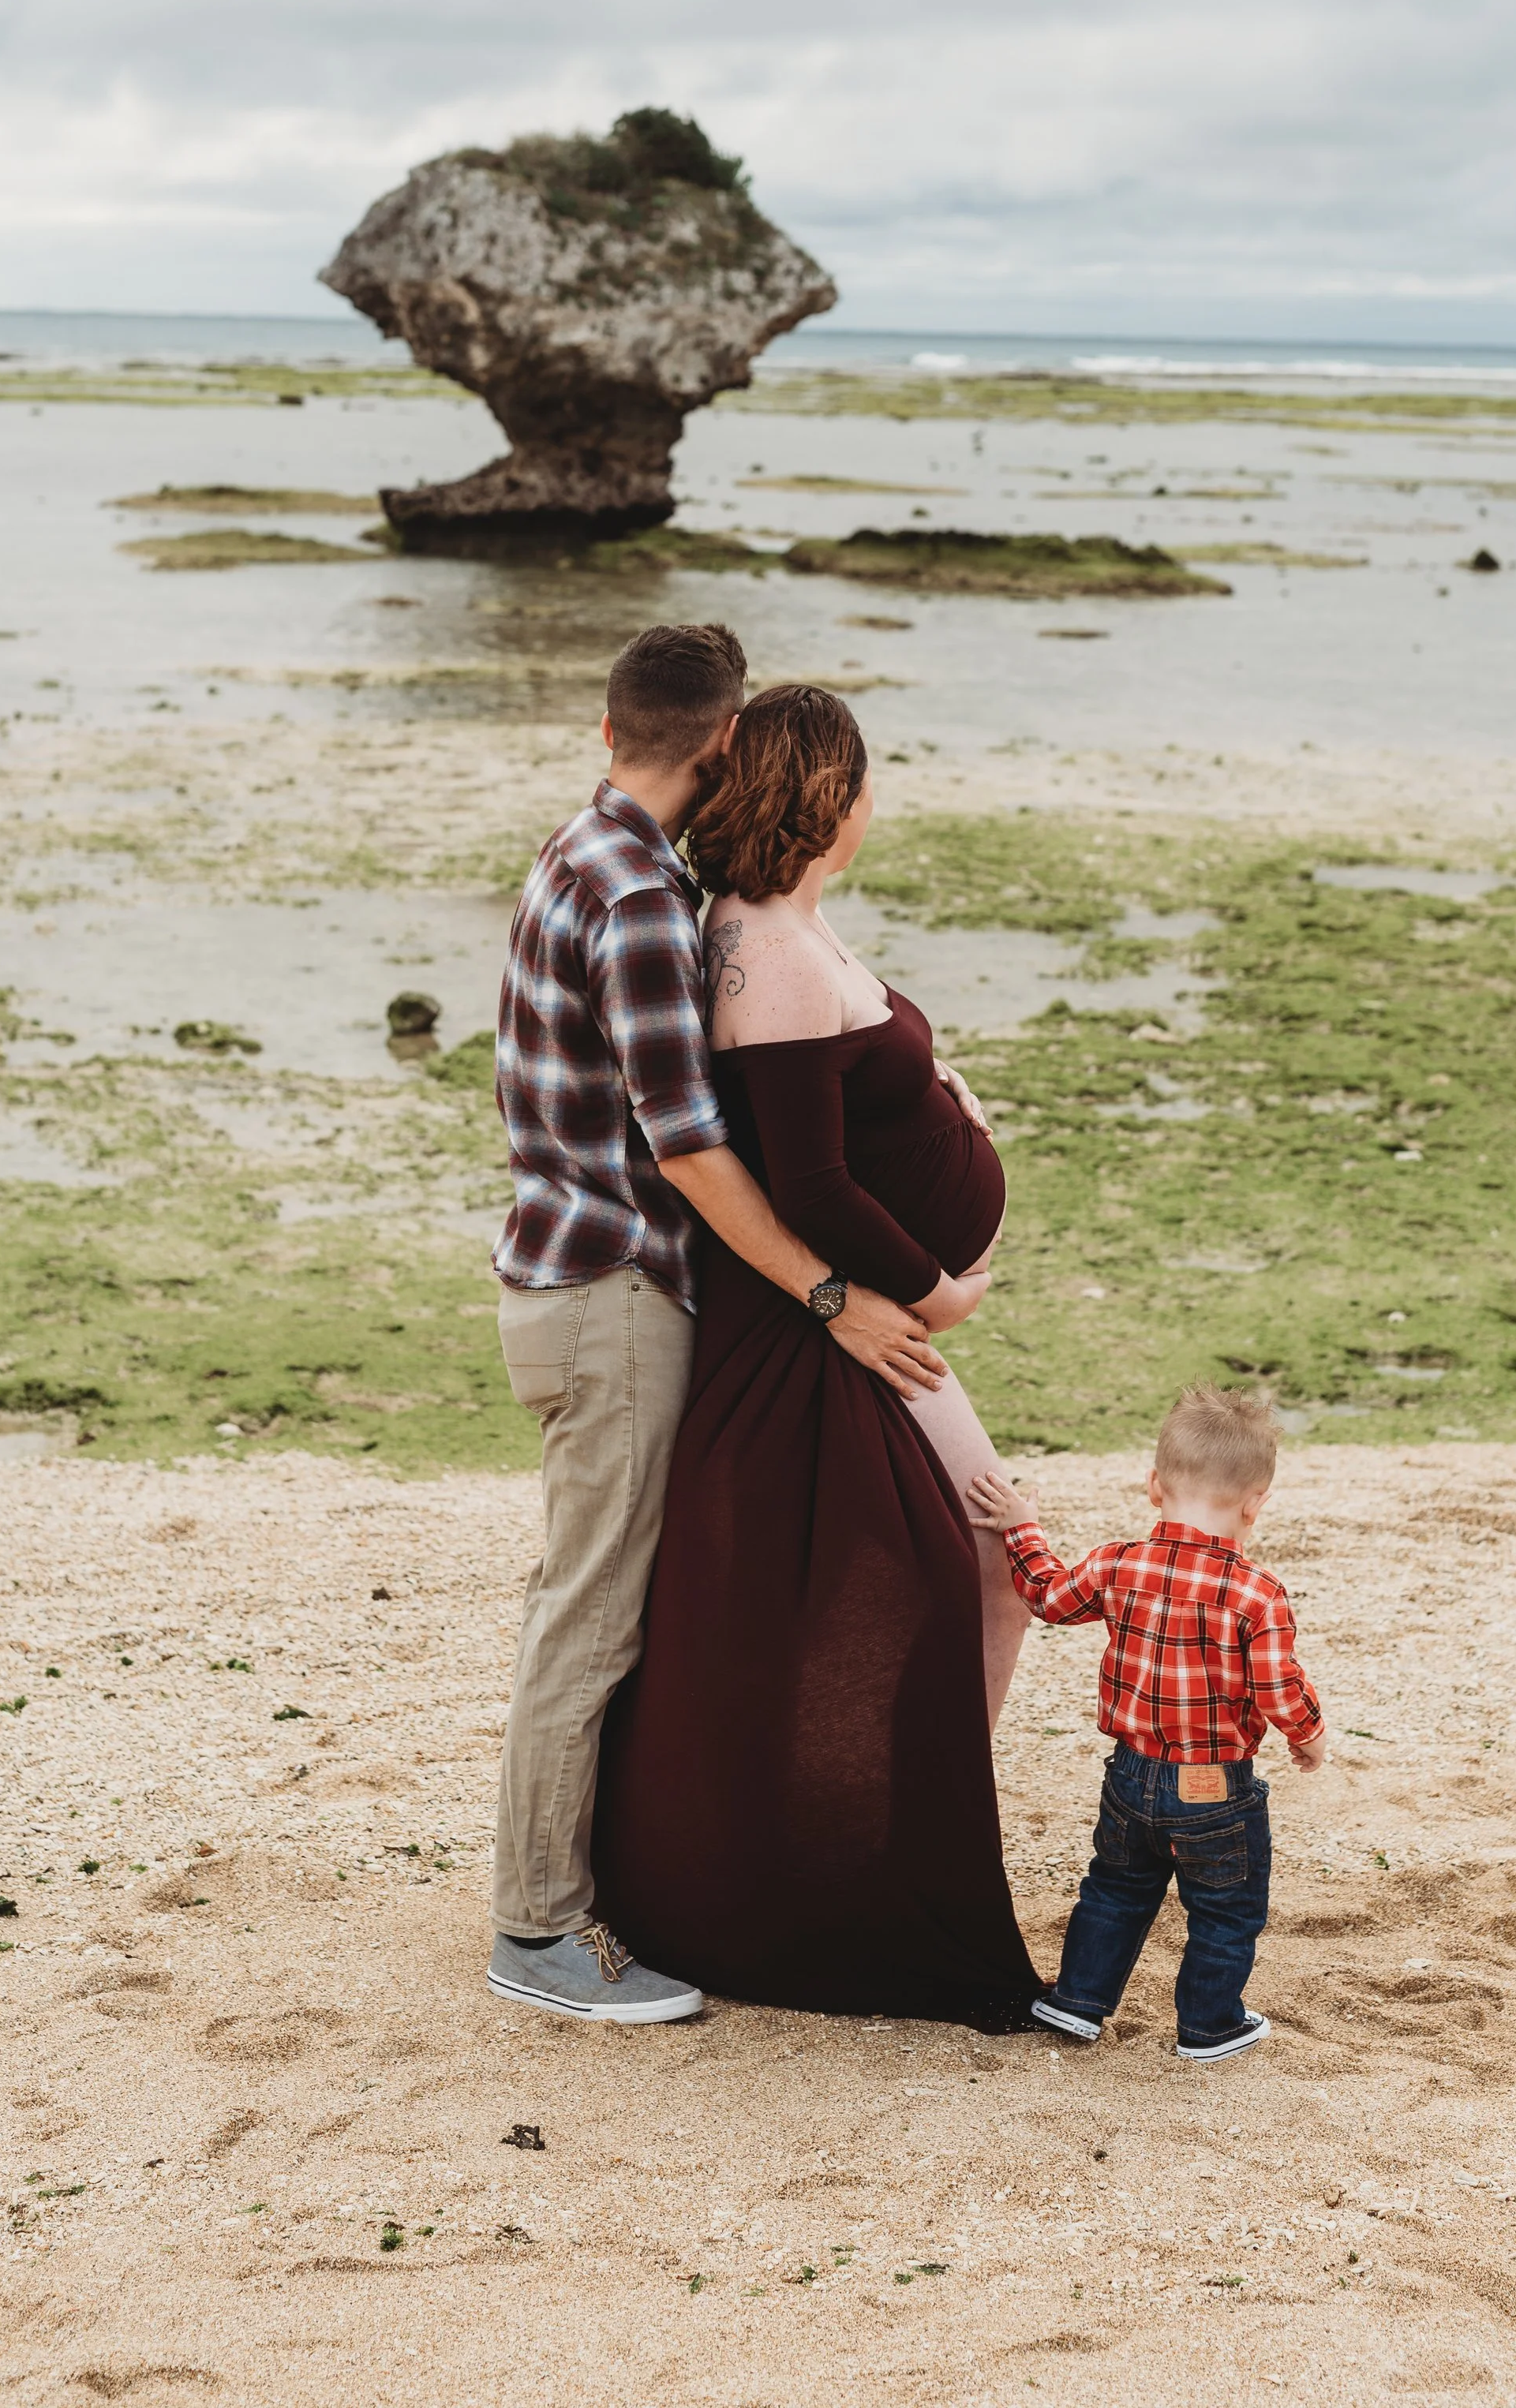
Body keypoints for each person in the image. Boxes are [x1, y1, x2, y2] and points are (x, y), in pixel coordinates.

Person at [488, 625, 947, 2028]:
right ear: (724, 742)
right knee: (592, 1614)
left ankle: (595, 1880)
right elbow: (689, 1147)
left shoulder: (588, 851)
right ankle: (536, 1932)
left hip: (570, 1280)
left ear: (608, 727)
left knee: (590, 1597)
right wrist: (832, 1296)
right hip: (614, 1294)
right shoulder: (633, 896)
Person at [592, 683, 1040, 2028]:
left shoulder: (780, 923)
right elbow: (812, 1178)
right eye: (860, 781)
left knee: (979, 1563)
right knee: (985, 1558)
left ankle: (884, 1837)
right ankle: (878, 1857)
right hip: (836, 1333)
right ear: (827, 798)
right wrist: (930, 1288)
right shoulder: (761, 951)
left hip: (856, 1327)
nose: (869, 802)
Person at [968, 1384, 1327, 2061]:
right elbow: (1278, 1687)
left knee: (1115, 1887)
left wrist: (1021, 1526)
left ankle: (1078, 2001)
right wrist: (1308, 1735)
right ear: (1257, 1504)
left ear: (1153, 1485)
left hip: (1130, 1776)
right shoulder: (1258, 1592)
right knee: (1226, 1909)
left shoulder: (1117, 1563)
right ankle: (1210, 2025)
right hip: (1215, 1788)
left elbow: (1046, 1595)